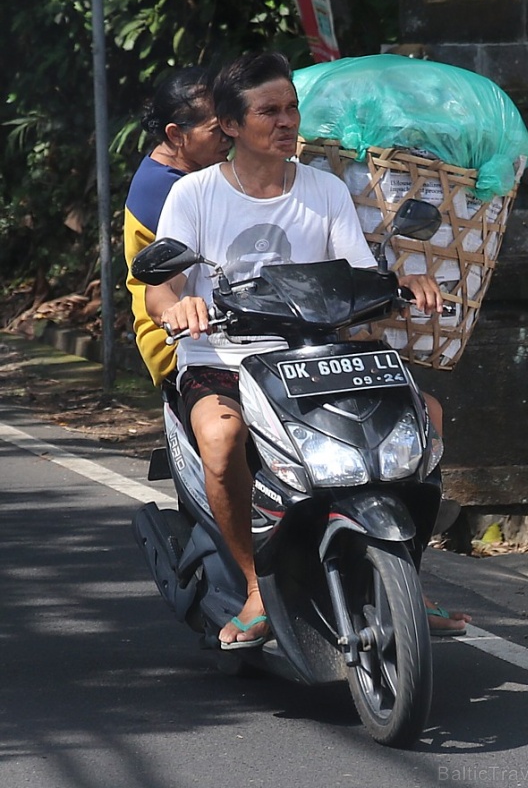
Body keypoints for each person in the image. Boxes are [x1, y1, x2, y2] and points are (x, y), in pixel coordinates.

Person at [145, 51, 470, 648]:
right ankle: (253, 586)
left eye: (292, 108)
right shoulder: (193, 195)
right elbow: (161, 285)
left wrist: (405, 284)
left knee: (426, 416)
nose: (287, 121)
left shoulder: (323, 189)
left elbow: (356, 271)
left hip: (315, 354)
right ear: (232, 125)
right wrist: (178, 307)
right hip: (222, 359)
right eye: (269, 111)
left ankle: (405, 574)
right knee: (221, 442)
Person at [124, 67, 232, 385]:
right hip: (174, 336)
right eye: (217, 129)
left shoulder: (192, 175)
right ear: (175, 135)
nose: (229, 136)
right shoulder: (166, 188)